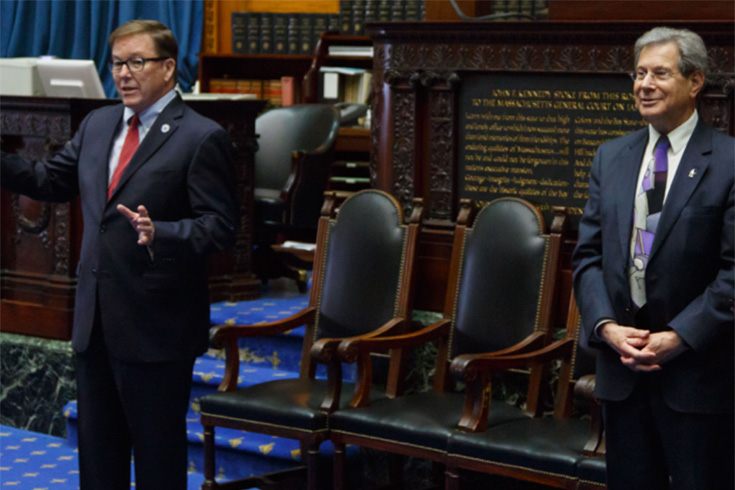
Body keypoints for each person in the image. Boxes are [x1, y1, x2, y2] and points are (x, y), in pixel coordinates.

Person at [1, 20, 238, 490]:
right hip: (95, 325)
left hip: (156, 327)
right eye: (117, 64)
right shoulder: (99, 123)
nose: (124, 74)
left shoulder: (201, 137)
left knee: (156, 461)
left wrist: (162, 233)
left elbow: (221, 228)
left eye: (137, 62)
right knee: (98, 459)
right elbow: (49, 180)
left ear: (169, 68)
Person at [572, 26, 733, 490]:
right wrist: (606, 328)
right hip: (622, 376)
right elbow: (586, 258)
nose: (644, 84)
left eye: (660, 73)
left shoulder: (728, 162)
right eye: (639, 73)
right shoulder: (610, 157)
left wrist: (679, 337)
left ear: (695, 81)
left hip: (698, 380)